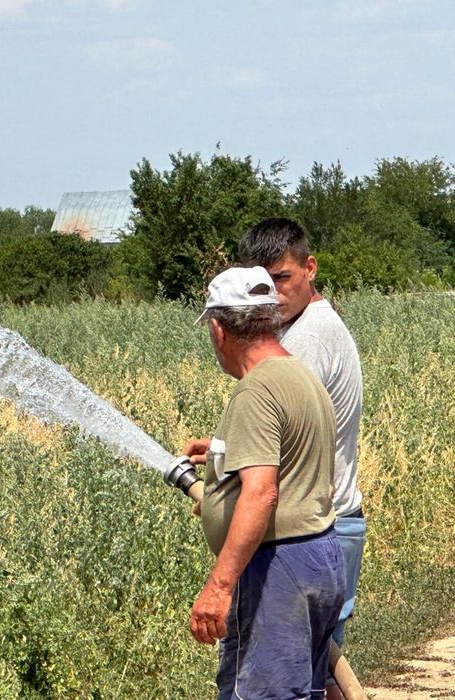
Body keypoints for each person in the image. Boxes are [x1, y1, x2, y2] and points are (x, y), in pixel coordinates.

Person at [186, 265, 344, 700]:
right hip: (318, 557)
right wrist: (223, 458)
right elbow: (295, 462)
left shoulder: (255, 391)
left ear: (219, 329)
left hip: (277, 571)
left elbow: (262, 493)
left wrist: (218, 587)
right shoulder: (299, 376)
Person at [239, 218, 365, 699]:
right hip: (334, 521)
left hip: (317, 526)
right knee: (319, 671)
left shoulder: (306, 341)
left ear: (310, 268)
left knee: (305, 677)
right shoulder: (314, 325)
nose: (273, 294)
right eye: (262, 284)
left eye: (283, 278)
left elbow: (285, 441)